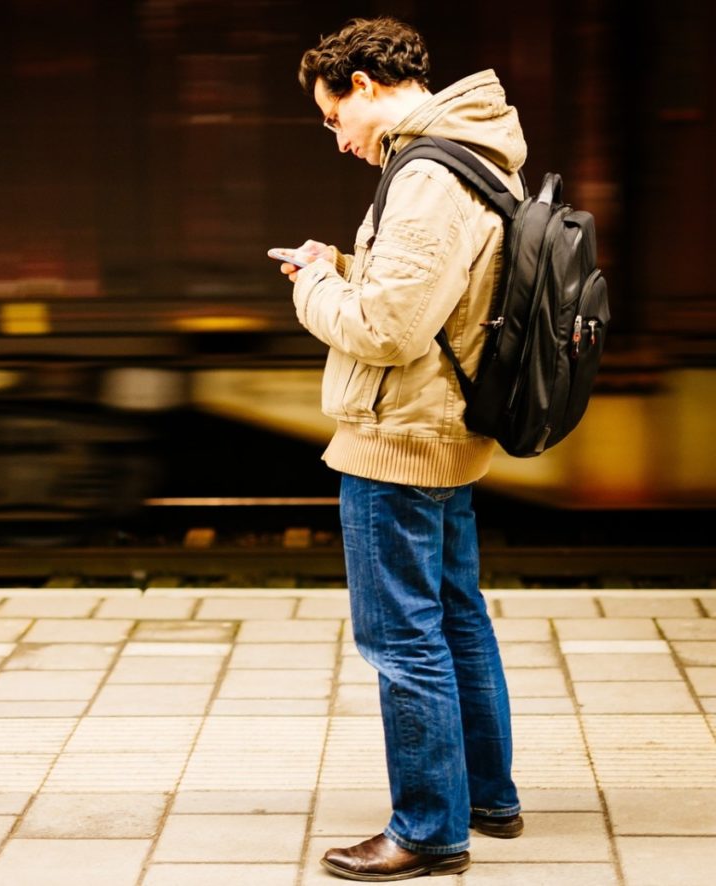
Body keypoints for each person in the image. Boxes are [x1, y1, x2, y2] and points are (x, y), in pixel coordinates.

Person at [275, 16, 525, 882]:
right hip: (443, 425)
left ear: (366, 86)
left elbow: (388, 328)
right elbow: (435, 291)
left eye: (332, 117)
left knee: (402, 639)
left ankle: (426, 829)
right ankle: (486, 798)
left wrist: (311, 287)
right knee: (457, 619)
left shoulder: (425, 175)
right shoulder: (472, 151)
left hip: (399, 440)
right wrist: (340, 261)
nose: (337, 139)